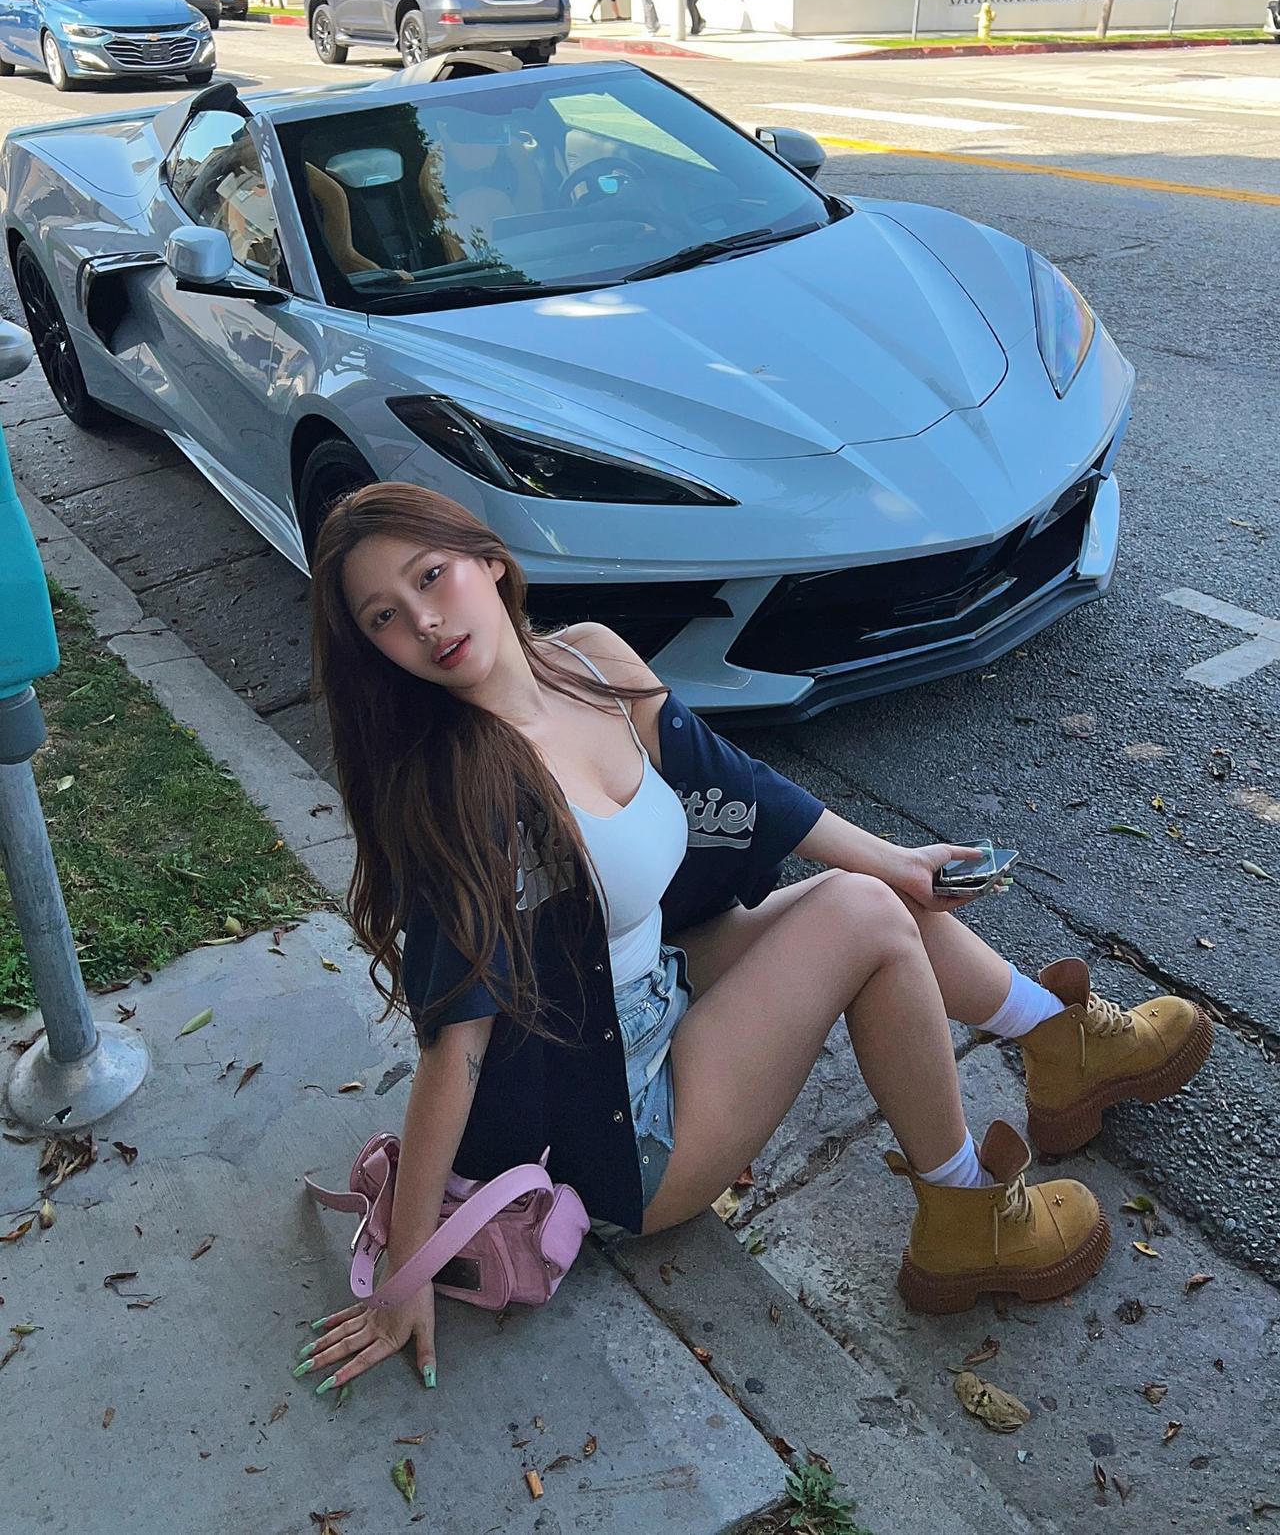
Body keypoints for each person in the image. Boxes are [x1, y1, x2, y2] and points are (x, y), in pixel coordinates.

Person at [294, 484, 1213, 1394]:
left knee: (876, 890)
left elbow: (736, 783)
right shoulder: (461, 792)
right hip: (620, 1122)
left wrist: (900, 860)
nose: (424, 620)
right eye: (385, 617)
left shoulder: (590, 661)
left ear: (489, 561)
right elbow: (455, 1044)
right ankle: (968, 1219)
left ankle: (1059, 1043)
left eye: (432, 576)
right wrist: (405, 1276)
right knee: (862, 918)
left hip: (655, 984)